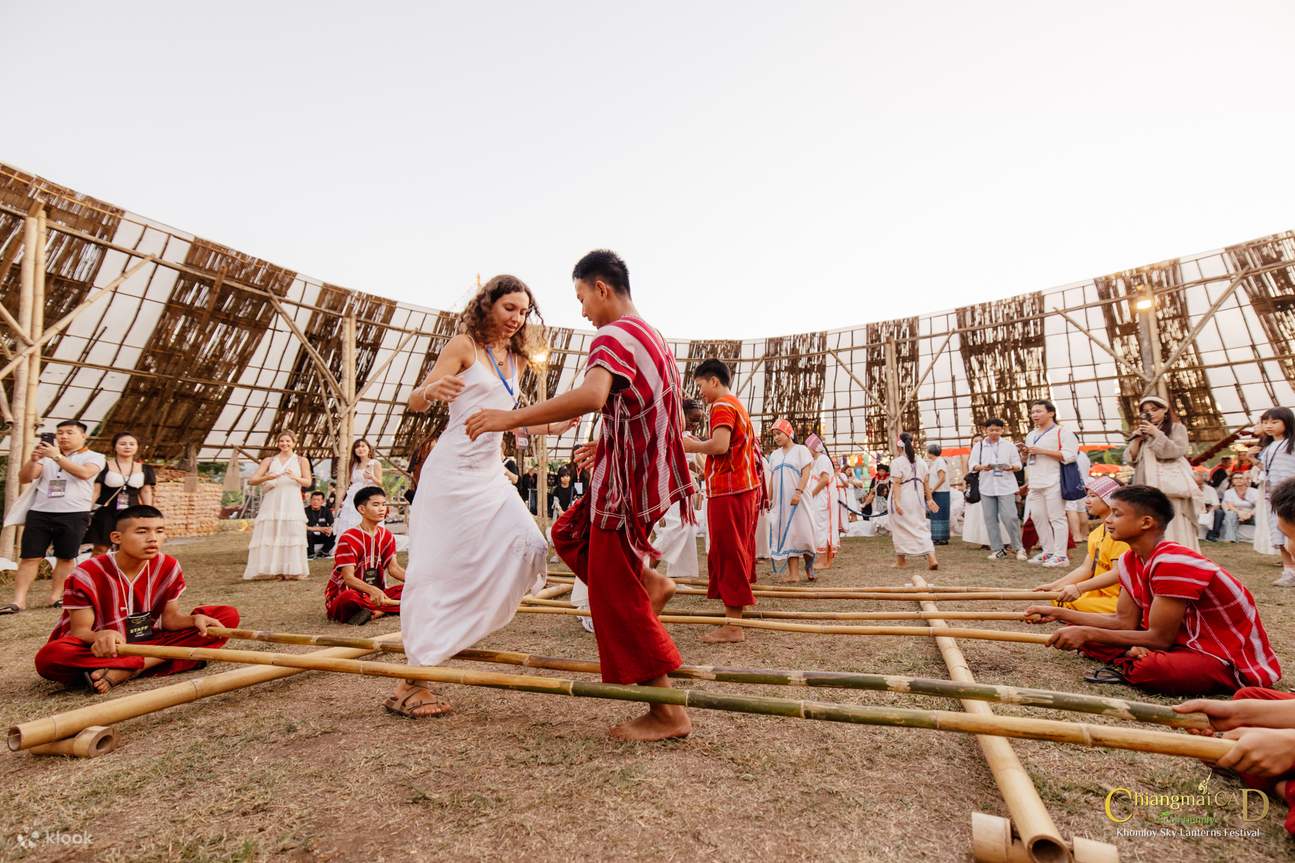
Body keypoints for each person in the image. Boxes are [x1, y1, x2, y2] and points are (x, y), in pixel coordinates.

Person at [465, 250, 695, 741]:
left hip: (626, 485)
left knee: (613, 596)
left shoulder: (613, 336)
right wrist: (607, 442)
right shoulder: (650, 334)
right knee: (568, 533)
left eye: (581, 298)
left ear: (601, 288)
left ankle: (667, 712)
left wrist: (509, 418)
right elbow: (638, 407)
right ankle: (648, 581)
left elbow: (593, 396)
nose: (582, 310)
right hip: (634, 471)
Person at [386, 274, 560, 719]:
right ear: (488, 305)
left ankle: (444, 641)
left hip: (489, 476)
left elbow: (510, 420)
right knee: (435, 568)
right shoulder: (464, 346)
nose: (516, 318)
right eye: (509, 308)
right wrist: (431, 390)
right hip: (449, 475)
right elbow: (416, 400)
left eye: (523, 311)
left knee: (530, 545)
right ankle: (415, 678)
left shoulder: (518, 360)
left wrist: (552, 425)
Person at [1024, 485, 1280, 696]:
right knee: (1085, 636)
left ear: (1146, 522)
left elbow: (1159, 638)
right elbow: (1123, 621)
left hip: (1220, 654)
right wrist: (1060, 614)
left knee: (1150, 669)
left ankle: (1139, 658)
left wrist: (1088, 632)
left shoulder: (1172, 562)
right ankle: (1135, 654)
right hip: (1177, 643)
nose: (1108, 520)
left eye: (1116, 514)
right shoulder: (1130, 559)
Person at [33, 505, 239, 692]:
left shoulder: (168, 565)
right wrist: (101, 635)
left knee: (225, 616)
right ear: (117, 537)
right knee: (51, 656)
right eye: (142, 531)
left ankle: (130, 668)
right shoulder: (87, 572)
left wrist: (194, 620)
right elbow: (80, 631)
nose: (153, 538)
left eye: (159, 531)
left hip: (149, 641)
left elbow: (170, 619)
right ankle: (165, 659)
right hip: (102, 648)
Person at [684, 358, 762, 643]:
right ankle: (735, 614)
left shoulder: (722, 406)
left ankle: (733, 625)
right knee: (736, 548)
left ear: (714, 381)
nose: (700, 392)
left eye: (701, 386)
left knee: (729, 551)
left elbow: (719, 446)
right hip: (741, 487)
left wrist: (692, 445)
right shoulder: (736, 404)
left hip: (730, 489)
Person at [5, 420, 106, 615]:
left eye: (69, 432)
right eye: (60, 432)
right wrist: (33, 460)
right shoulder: (47, 456)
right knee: (29, 556)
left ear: (83, 436)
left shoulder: (95, 456)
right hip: (40, 512)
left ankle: (56, 596)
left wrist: (56, 456)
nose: (63, 436)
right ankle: (18, 600)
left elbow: (85, 473)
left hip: (74, 513)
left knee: (66, 557)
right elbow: (25, 478)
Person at [1033, 477, 1127, 614]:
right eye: (1087, 496)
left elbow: (1117, 573)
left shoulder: (1121, 534)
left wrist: (1078, 588)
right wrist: (1055, 586)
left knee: (1073, 601)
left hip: (1119, 598)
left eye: (1093, 496)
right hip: (1099, 594)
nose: (1087, 501)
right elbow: (1086, 568)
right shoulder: (1096, 533)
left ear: (1109, 500)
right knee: (1059, 597)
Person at [1123, 395, 1200, 551]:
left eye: (1154, 409)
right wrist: (1137, 439)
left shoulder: (1177, 428)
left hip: (1171, 487)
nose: (1150, 413)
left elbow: (1176, 451)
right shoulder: (1142, 431)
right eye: (1146, 411)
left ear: (1165, 410)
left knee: (1173, 520)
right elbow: (1130, 459)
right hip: (1146, 483)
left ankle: (1178, 554)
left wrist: (1156, 433)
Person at [326, 486, 404, 625]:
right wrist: (371, 590)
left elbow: (394, 569)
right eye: (376, 505)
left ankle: (375, 612)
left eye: (383, 504)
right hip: (352, 594)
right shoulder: (348, 538)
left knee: (411, 589)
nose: (382, 509)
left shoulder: (387, 536)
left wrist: (419, 583)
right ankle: (384, 609)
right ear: (362, 509)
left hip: (378, 595)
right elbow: (349, 578)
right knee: (348, 598)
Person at [242, 431, 312, 581]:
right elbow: (252, 480)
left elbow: (308, 482)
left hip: (291, 500)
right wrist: (268, 476)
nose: (284, 444)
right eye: (282, 441)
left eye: (288, 441)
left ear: (293, 443)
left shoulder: (301, 460)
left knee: (292, 532)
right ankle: (274, 569)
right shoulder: (269, 460)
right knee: (272, 532)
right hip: (273, 499)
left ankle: (294, 570)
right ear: (278, 443)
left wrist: (295, 477)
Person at [1020, 400, 1079, 568]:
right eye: (1032, 412)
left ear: (1051, 413)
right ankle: (1048, 551)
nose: (1034, 415)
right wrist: (1025, 454)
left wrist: (1042, 451)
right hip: (1035, 482)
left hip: (1055, 480)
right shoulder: (1031, 434)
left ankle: (1061, 556)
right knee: (1037, 517)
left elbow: (1070, 455)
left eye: (1039, 411)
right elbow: (1029, 460)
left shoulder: (1063, 432)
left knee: (1057, 518)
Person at [84, 432, 156, 554]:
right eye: (123, 444)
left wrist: (149, 513)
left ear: (137, 447)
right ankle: (96, 567)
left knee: (128, 548)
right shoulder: (104, 466)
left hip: (132, 513)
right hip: (106, 512)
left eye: (132, 444)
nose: (127, 447)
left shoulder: (145, 469)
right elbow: (96, 491)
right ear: (115, 446)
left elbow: (146, 491)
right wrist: (85, 510)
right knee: (101, 548)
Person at [765, 419, 817, 583]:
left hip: (799, 499)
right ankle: (793, 575)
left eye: (779, 433)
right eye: (774, 435)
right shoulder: (775, 455)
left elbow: (806, 473)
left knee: (804, 533)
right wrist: (769, 499)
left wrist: (798, 492)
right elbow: (772, 479)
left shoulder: (801, 450)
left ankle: (809, 565)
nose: (776, 437)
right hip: (782, 503)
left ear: (788, 433)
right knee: (788, 535)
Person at [970, 418, 1022, 560]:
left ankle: (1018, 547)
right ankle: (998, 549)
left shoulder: (1009, 446)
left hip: (1006, 486)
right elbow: (972, 464)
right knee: (990, 519)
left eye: (997, 430)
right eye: (991, 430)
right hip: (986, 486)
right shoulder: (979, 446)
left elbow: (1018, 464)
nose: (994, 432)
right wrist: (982, 467)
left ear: (1002, 430)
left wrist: (1011, 467)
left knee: (1010, 517)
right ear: (985, 430)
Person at [890, 432, 939, 570]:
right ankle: (931, 557)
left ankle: (901, 561)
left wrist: (897, 502)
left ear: (899, 445)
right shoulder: (922, 462)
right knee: (920, 526)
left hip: (903, 498)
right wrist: (929, 499)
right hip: (918, 500)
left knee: (899, 528)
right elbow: (926, 482)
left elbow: (897, 483)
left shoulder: (897, 462)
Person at [1258, 407, 1295, 586]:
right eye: (1265, 422)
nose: (1268, 425)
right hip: (1273, 496)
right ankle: (1289, 572)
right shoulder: (1269, 447)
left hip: (1290, 495)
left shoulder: (1291, 444)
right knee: (1279, 533)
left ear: (1287, 422)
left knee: (1291, 533)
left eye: (1274, 422)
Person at [332, 439, 383, 542]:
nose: (360, 449)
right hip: (353, 497)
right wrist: (341, 500)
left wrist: (372, 477)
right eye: (357, 447)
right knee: (350, 521)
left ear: (369, 449)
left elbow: (380, 483)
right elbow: (348, 484)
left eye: (363, 446)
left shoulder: (375, 463)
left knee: (366, 520)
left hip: (369, 495)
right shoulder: (354, 465)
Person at [806, 434, 840, 568]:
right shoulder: (815, 461)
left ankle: (824, 560)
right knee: (820, 526)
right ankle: (825, 560)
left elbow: (825, 479)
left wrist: (811, 494)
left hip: (824, 498)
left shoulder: (822, 459)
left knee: (824, 527)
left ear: (813, 448)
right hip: (819, 498)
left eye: (807, 447)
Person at [960, 433, 990, 549]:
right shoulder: (968, 457)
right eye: (975, 441)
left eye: (980, 441)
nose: (977, 443)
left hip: (986, 485)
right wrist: (965, 489)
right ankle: (982, 540)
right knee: (977, 514)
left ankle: (989, 540)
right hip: (974, 488)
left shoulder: (987, 454)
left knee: (986, 513)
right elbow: (965, 475)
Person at [1219, 473, 1259, 543]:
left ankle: (1261, 536)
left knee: (1260, 513)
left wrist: (1249, 514)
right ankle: (1231, 538)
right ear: (1232, 481)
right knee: (1230, 514)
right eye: (1235, 478)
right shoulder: (1228, 492)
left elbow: (1258, 505)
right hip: (1236, 512)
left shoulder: (1254, 491)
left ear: (1246, 480)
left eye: (1240, 478)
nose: (1238, 480)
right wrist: (1239, 513)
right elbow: (1230, 506)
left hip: (1251, 512)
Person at [925, 443, 951, 546]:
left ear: (931, 452)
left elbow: (942, 478)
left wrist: (933, 489)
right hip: (936, 492)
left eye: (927, 451)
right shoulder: (934, 462)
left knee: (941, 514)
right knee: (935, 514)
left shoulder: (940, 461)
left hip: (941, 492)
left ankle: (942, 538)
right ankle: (936, 537)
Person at [304, 491, 335, 558]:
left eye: (318, 500)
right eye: (314, 499)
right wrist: (319, 529)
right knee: (307, 533)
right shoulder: (305, 511)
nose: (315, 502)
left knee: (334, 532)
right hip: (310, 536)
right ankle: (310, 554)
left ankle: (324, 552)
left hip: (322, 535)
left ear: (322, 501)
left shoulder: (326, 510)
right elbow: (303, 527)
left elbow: (332, 524)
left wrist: (330, 529)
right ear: (310, 500)